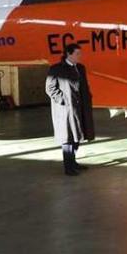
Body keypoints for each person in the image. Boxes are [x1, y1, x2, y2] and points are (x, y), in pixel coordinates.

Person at [45, 43, 95, 176]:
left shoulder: (80, 68)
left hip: (80, 108)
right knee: (67, 138)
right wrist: (64, 100)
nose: (80, 56)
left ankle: (73, 162)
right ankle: (69, 167)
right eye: (77, 53)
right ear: (69, 54)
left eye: (80, 53)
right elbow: (50, 88)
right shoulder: (56, 69)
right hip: (66, 110)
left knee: (77, 136)